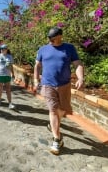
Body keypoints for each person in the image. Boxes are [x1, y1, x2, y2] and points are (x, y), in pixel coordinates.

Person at [33, 27, 84, 155]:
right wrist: (35, 79)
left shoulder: (69, 48)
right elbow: (37, 65)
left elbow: (77, 63)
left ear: (60, 36)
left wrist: (80, 77)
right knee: (53, 110)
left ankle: (53, 125)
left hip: (64, 85)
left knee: (62, 110)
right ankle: (57, 139)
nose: (50, 40)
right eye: (49, 38)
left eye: (53, 38)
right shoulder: (43, 49)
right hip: (48, 84)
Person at [0, 44, 15, 109]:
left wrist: (13, 74)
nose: (2, 50)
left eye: (4, 49)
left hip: (7, 74)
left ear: (7, 49)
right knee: (0, 88)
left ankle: (10, 103)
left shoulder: (10, 56)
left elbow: (11, 66)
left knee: (8, 89)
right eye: (2, 49)